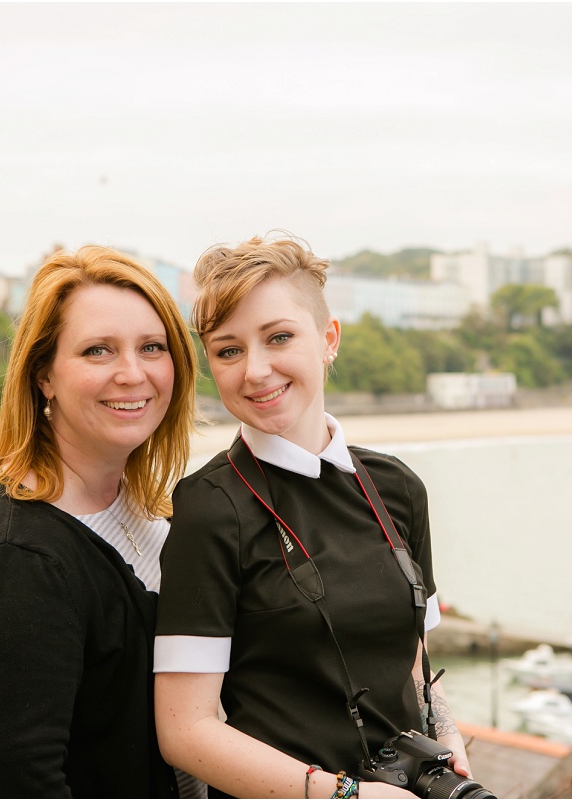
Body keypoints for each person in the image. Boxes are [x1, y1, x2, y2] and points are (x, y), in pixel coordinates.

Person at [154, 234, 471, 798]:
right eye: (228, 350)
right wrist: (345, 795)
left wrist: (447, 740)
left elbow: (414, 657)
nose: (255, 370)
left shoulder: (396, 488)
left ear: (328, 339)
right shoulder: (209, 509)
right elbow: (186, 731)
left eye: (279, 337)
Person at [0, 245, 205, 798]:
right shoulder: (17, 553)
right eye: (97, 351)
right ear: (44, 376)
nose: (131, 373)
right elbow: (18, 785)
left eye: (151, 347)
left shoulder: (155, 512)